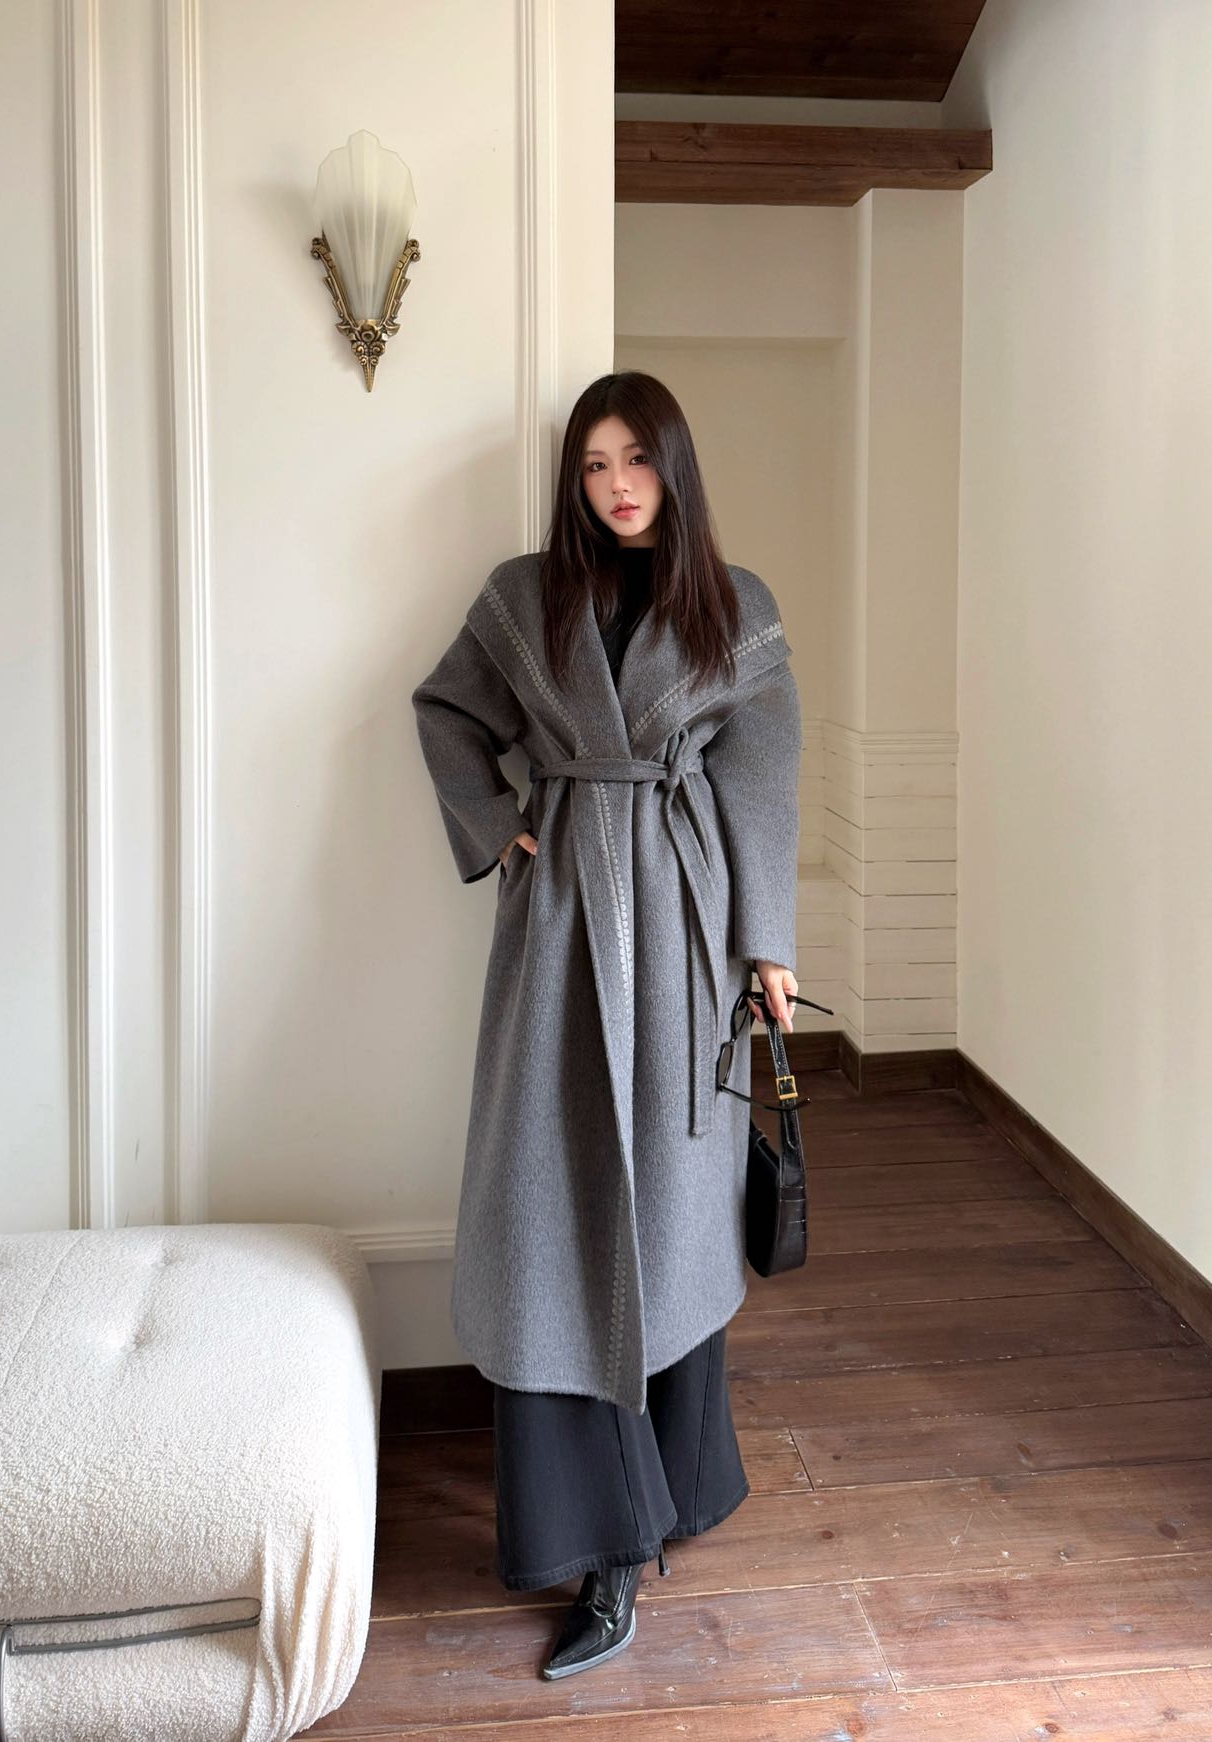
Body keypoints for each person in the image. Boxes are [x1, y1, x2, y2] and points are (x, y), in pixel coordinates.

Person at [411, 370, 801, 1679]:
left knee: (673, 1210)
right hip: (565, 928)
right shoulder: (524, 597)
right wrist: (502, 826)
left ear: (672, 468)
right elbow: (446, 711)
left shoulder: (735, 607)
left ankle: (666, 1498)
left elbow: (762, 776)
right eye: (593, 463)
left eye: (637, 459)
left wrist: (766, 946)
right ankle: (598, 1541)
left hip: (684, 932)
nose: (617, 484)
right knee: (546, 1206)